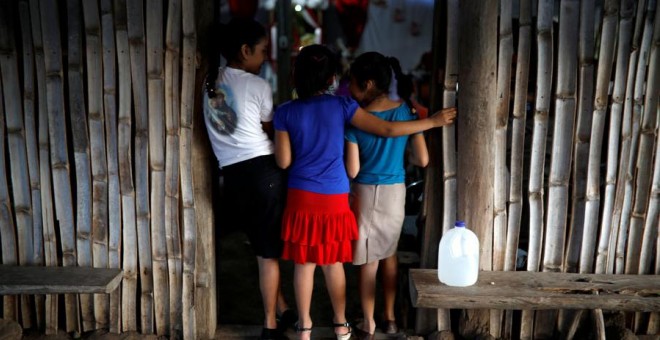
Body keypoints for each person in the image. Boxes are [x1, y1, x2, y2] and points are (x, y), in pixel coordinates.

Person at [273, 44, 456, 340]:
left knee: (303, 264)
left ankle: (304, 328)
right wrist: (432, 121)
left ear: (297, 74)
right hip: (334, 197)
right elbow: (385, 129)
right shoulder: (343, 107)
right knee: (333, 263)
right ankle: (341, 325)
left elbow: (283, 161)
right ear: (332, 77)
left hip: (301, 196)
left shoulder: (284, 112)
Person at [202, 17, 296, 340]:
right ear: (245, 51)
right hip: (263, 174)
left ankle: (282, 307)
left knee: (261, 247)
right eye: (262, 51)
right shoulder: (257, 86)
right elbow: (274, 131)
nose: (265, 57)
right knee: (269, 255)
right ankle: (271, 325)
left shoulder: (210, 82)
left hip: (233, 178)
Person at [344, 52, 431, 339]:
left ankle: (368, 323)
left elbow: (353, 170)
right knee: (390, 254)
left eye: (354, 83)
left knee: (368, 260)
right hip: (395, 193)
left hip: (364, 194)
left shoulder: (357, 119)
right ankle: (391, 317)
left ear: (368, 84)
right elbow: (422, 159)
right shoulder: (405, 112)